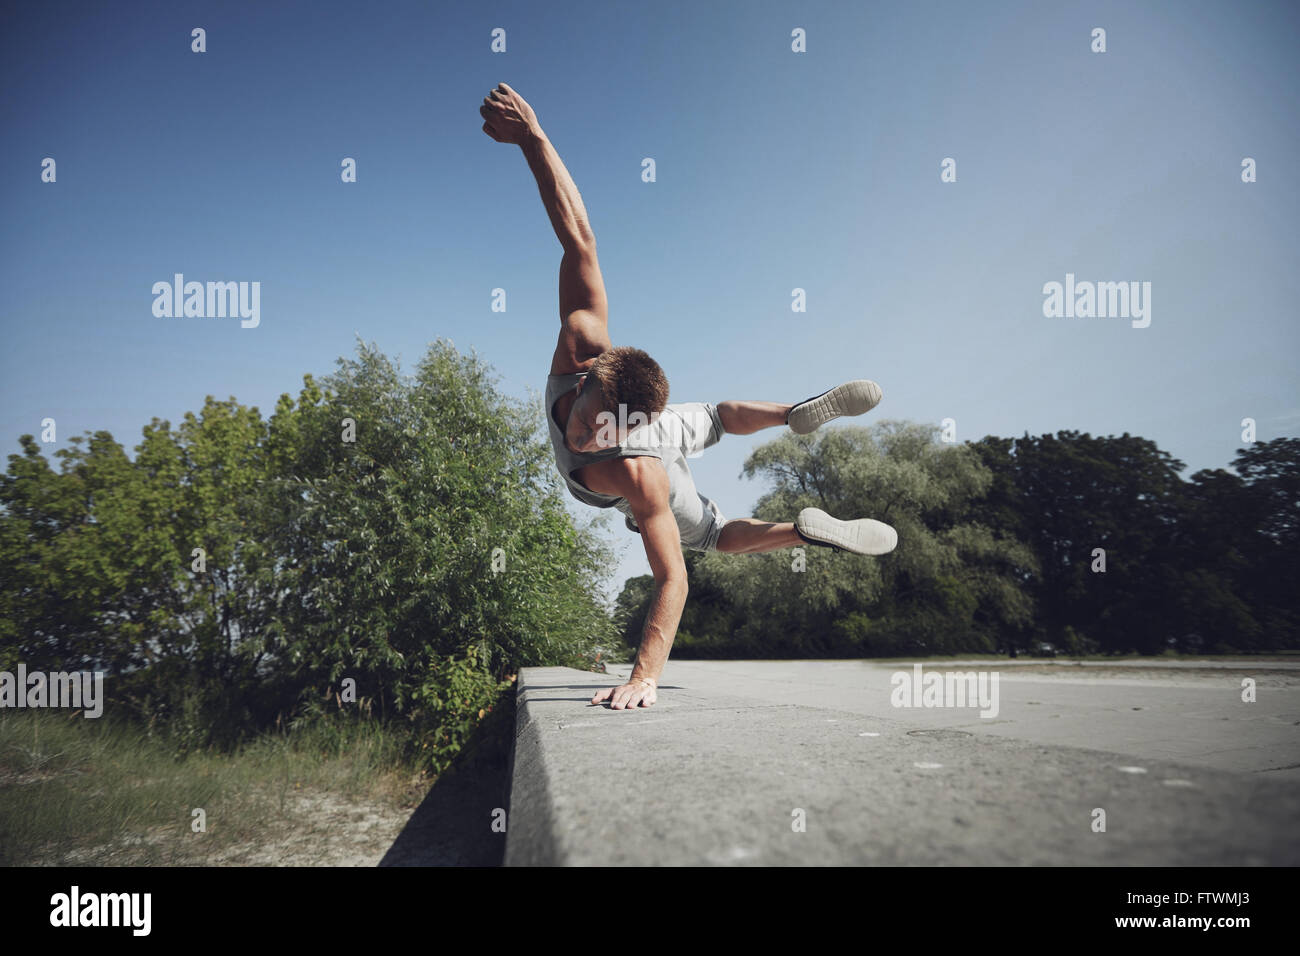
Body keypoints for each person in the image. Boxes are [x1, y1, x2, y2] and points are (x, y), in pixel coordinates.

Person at [480, 83, 897, 710]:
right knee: (717, 418)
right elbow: (580, 238)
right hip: (662, 425)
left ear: (632, 427)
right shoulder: (580, 341)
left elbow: (671, 578)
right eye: (592, 422)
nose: (589, 438)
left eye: (607, 434)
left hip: (656, 453)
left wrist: (644, 676)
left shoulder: (637, 471)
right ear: (589, 371)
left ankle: (799, 473)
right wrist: (534, 138)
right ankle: (796, 456)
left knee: (713, 535)